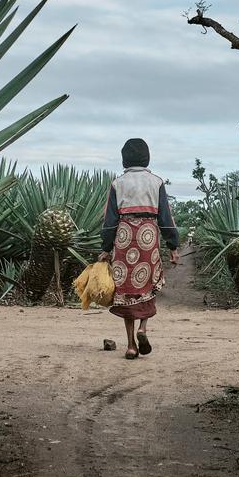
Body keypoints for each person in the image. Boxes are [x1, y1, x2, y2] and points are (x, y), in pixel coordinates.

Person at [98, 138, 180, 359]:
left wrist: (106, 248)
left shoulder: (118, 183)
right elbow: (165, 217)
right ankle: (144, 328)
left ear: (124, 158)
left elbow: (110, 220)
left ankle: (131, 345)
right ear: (147, 157)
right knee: (147, 284)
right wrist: (173, 246)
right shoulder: (157, 182)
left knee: (126, 290)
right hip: (148, 235)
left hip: (125, 237)